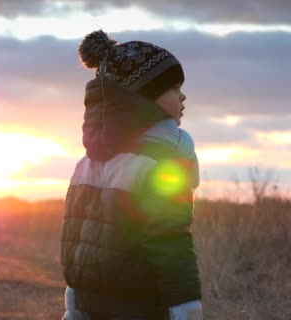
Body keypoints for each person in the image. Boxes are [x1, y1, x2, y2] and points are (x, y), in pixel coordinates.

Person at [60, 30, 203, 320]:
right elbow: (170, 240)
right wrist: (186, 308)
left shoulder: (86, 164)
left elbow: (74, 241)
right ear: (144, 97)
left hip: (91, 304)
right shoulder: (163, 161)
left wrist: (74, 304)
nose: (183, 95)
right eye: (174, 88)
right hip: (144, 306)